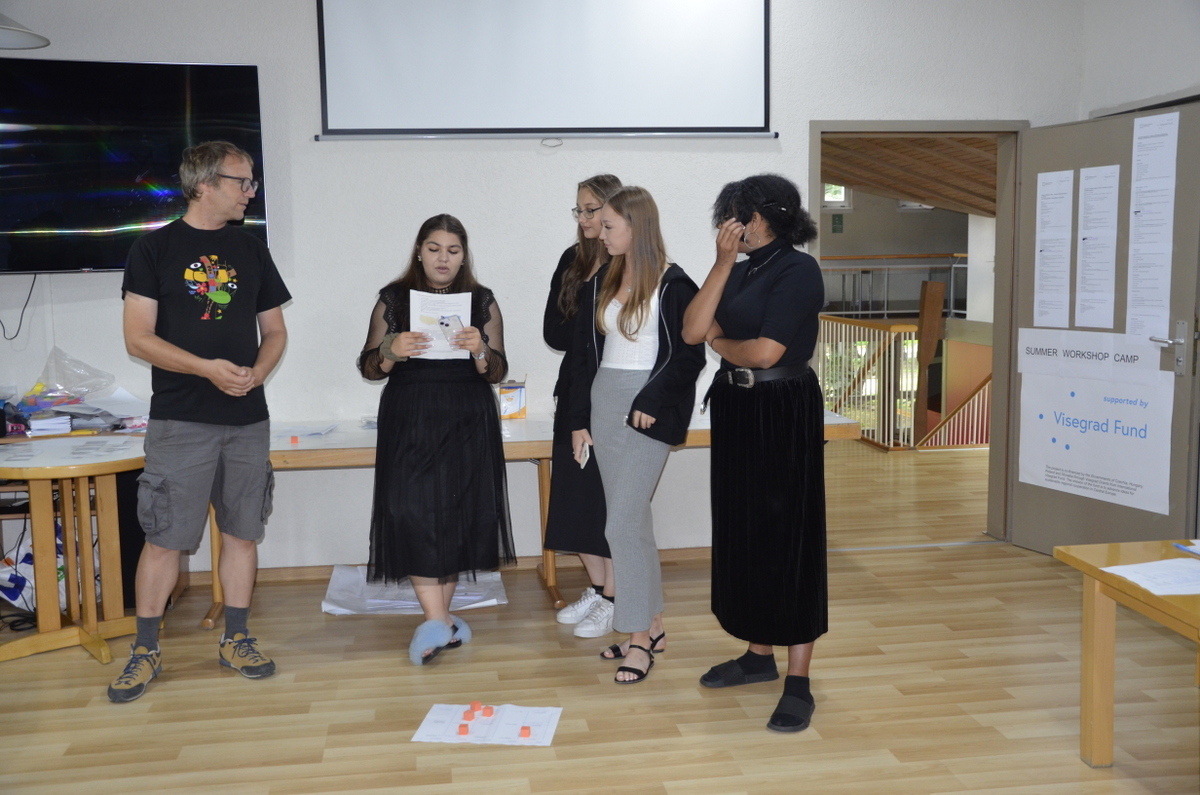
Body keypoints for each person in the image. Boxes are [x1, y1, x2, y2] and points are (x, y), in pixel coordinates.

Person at [111, 141, 290, 703]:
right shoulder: (153, 248)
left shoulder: (251, 249)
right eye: (242, 181)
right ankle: (144, 650)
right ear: (205, 184)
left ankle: (237, 639)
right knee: (166, 539)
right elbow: (138, 339)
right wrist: (207, 369)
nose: (251, 191)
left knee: (242, 532)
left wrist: (257, 373)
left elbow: (275, 331)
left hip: (247, 419)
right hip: (181, 419)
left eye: (251, 181)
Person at [681, 174, 825, 732]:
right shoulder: (738, 270)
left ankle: (799, 681)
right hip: (737, 410)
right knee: (744, 533)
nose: (726, 226)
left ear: (758, 219)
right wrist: (721, 265)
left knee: (790, 539)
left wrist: (722, 344)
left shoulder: (798, 270)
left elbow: (766, 353)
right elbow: (693, 328)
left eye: (733, 215)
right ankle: (758, 656)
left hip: (782, 408)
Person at [357, 214, 515, 665]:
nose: (443, 258)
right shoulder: (394, 298)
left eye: (453, 250)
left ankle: (438, 620)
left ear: (464, 256)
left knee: (455, 514)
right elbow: (368, 367)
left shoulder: (482, 300)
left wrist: (480, 348)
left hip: (467, 416)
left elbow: (498, 371)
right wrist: (391, 350)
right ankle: (439, 621)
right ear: (419, 251)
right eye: (434, 248)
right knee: (411, 513)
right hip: (410, 415)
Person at [569, 186, 705, 683]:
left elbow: (689, 357)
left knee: (621, 526)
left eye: (608, 226)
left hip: (646, 409)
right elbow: (585, 354)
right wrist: (580, 419)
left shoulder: (674, 282)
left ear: (636, 226)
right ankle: (654, 625)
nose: (599, 233)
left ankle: (638, 640)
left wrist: (650, 399)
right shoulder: (606, 276)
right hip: (606, 403)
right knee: (634, 524)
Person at [543, 174, 622, 639]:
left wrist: (587, 322)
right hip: (573, 391)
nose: (586, 218)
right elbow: (553, 332)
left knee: (605, 501)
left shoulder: (627, 262)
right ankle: (597, 588)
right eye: (580, 209)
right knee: (574, 499)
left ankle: (614, 597)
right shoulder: (572, 260)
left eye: (593, 209)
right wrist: (587, 318)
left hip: (610, 393)